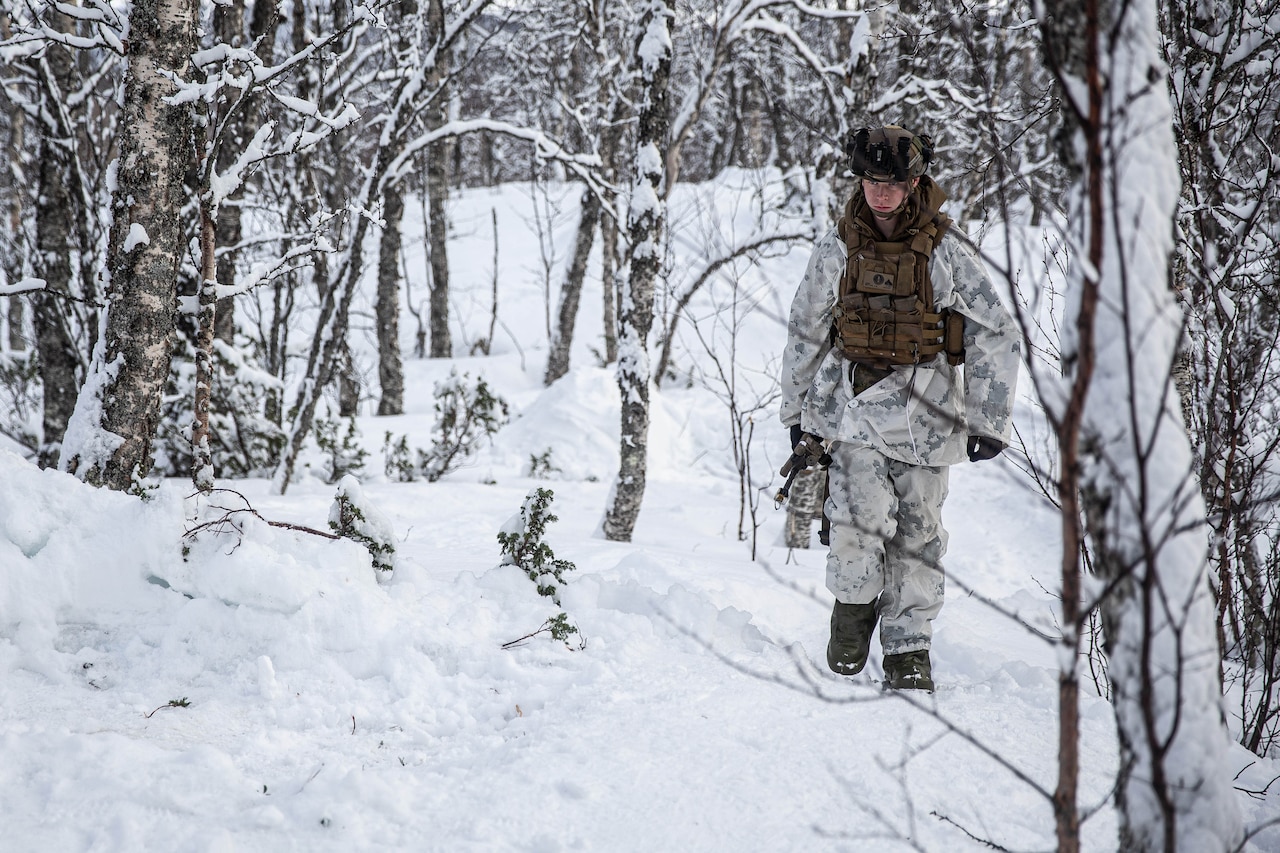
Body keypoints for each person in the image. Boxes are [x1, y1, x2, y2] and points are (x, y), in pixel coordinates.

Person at [779, 125, 1020, 691]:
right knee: (857, 529)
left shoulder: (947, 252)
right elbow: (806, 330)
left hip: (928, 421)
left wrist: (989, 420)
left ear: (915, 183)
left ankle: (909, 651)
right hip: (851, 416)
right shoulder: (836, 248)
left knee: (918, 539)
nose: (879, 193)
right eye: (869, 180)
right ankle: (851, 623)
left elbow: (996, 332)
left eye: (891, 182)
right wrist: (797, 415)